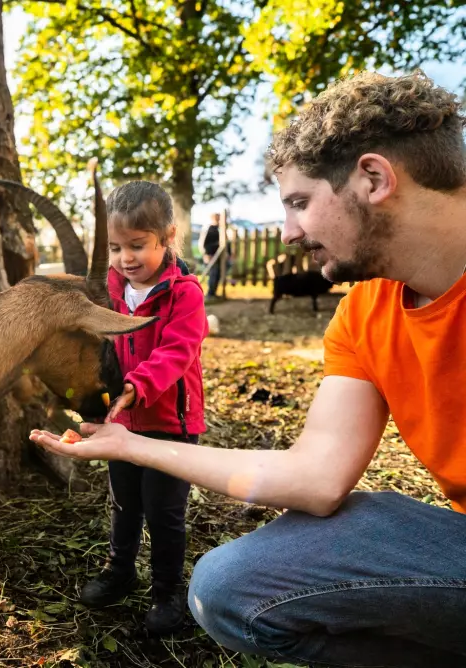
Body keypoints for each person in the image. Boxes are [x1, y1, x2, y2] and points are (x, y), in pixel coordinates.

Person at [30, 70, 466, 667]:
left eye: (299, 203)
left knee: (173, 522)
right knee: (229, 588)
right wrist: (127, 444)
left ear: (373, 178)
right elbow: (315, 477)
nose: (288, 233)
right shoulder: (364, 313)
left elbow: (178, 351)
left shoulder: (182, 292)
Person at [77, 181, 207, 636]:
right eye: (115, 248)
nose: (125, 258)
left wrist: (137, 385)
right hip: (125, 424)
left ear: (167, 238)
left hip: (169, 424)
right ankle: (120, 570)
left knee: (164, 511)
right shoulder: (112, 289)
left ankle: (167, 591)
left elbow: (177, 351)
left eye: (137, 246)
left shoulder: (184, 294)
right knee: (124, 502)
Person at [198, 212, 229, 300]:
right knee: (213, 273)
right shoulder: (210, 229)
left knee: (218, 274)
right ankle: (210, 293)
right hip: (211, 255)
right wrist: (207, 254)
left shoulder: (220, 229)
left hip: (218, 255)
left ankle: (214, 292)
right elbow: (205, 243)